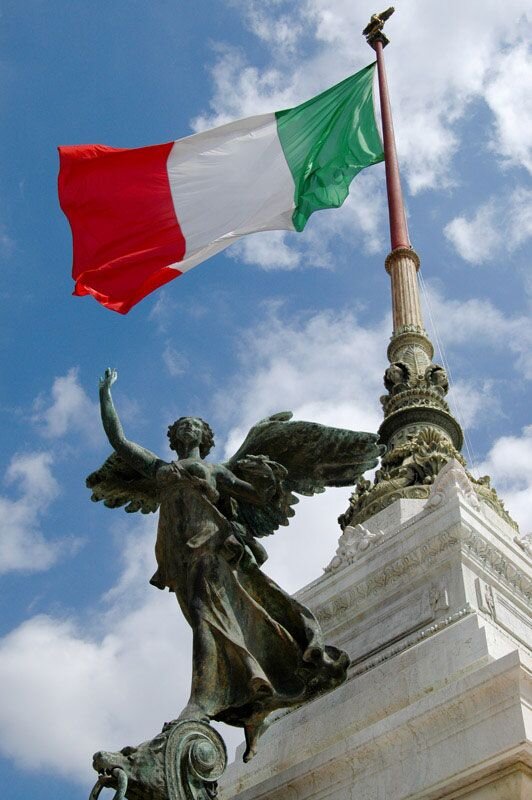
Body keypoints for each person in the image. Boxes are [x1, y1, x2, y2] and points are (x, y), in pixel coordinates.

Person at [98, 368, 349, 761]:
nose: (188, 428)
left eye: (195, 425)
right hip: (178, 554)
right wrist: (105, 394)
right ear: (174, 437)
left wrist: (268, 477)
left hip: (211, 546)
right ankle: (251, 698)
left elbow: (255, 495)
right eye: (182, 426)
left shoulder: (216, 470)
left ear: (204, 437)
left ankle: (201, 701)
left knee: (205, 618)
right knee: (204, 618)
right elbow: (119, 440)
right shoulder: (158, 468)